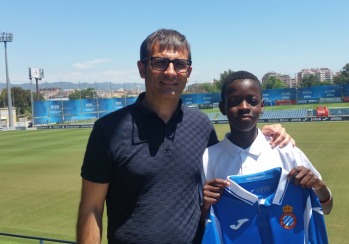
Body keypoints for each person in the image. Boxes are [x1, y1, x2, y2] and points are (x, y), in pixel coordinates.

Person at [76, 29, 294, 244]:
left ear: (188, 73)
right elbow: (91, 208)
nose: (170, 72)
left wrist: (265, 135)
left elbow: (229, 168)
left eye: (179, 64)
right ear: (142, 68)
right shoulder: (108, 129)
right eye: (160, 62)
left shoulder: (201, 124)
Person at [201, 71, 333, 242]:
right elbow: (204, 221)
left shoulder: (285, 150)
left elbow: (327, 208)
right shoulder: (208, 158)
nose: (244, 107)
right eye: (234, 101)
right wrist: (205, 206)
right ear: (222, 107)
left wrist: (318, 185)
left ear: (262, 106)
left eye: (252, 101)